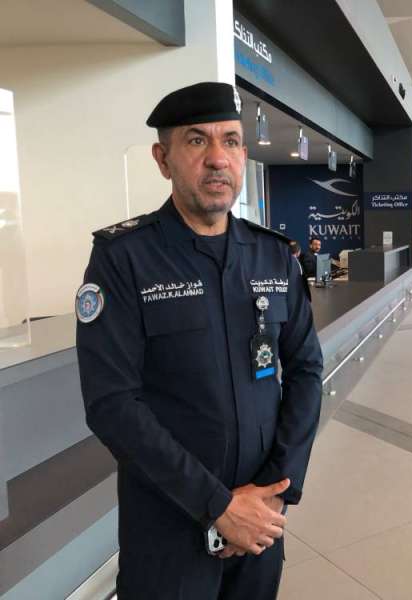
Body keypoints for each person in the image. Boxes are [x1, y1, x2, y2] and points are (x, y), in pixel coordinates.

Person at [75, 82, 323, 600]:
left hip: (259, 528)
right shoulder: (124, 260)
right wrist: (219, 506)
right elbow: (111, 404)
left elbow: (305, 370)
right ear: (162, 159)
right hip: (169, 529)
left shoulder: (273, 256)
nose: (217, 158)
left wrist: (277, 491)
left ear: (243, 155)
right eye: (196, 140)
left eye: (230, 141)